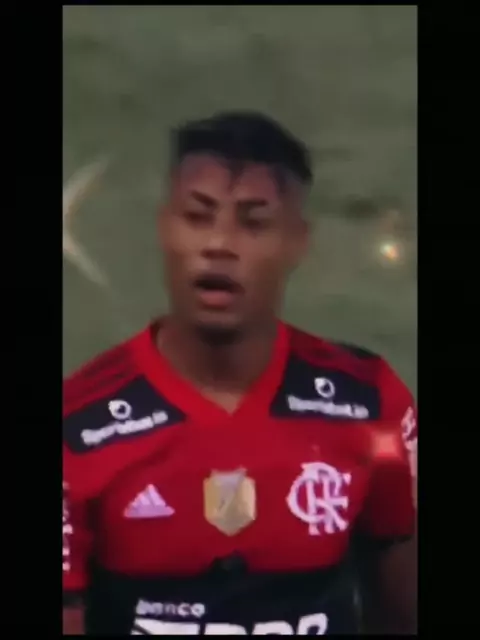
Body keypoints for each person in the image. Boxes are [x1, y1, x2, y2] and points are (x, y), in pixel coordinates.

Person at [63, 111, 417, 635]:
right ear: (164, 227)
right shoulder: (76, 430)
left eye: (253, 223)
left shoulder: (370, 405)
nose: (219, 244)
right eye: (197, 216)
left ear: (297, 241)